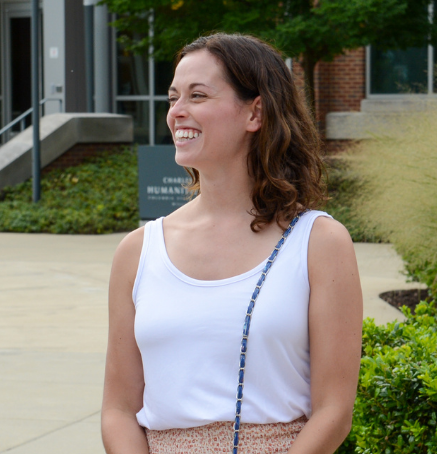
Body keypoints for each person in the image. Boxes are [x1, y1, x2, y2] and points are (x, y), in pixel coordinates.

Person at [101, 33, 363, 454]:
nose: (176, 113)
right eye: (173, 98)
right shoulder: (138, 251)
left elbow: (334, 411)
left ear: (255, 112)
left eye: (197, 95)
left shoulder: (319, 242)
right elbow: (117, 410)